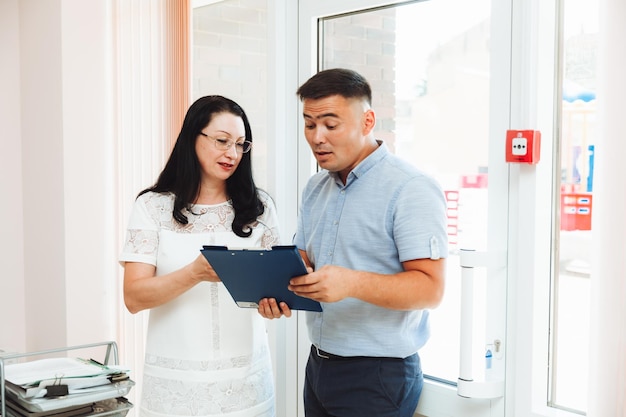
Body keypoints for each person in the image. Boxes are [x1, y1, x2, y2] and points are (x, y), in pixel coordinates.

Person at [258, 68, 449, 417]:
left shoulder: (411, 188)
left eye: (331, 125)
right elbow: (305, 261)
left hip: (378, 376)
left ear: (367, 121)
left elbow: (430, 289)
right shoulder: (315, 187)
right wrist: (276, 289)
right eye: (309, 124)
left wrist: (350, 282)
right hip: (319, 366)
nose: (317, 137)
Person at [120, 95, 279, 417]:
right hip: (176, 388)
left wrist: (276, 303)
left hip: (246, 385)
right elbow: (134, 298)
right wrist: (194, 273)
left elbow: (273, 287)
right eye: (222, 141)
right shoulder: (151, 207)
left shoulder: (259, 208)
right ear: (193, 137)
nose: (231, 153)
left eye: (240, 144)